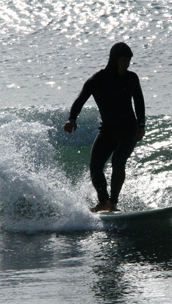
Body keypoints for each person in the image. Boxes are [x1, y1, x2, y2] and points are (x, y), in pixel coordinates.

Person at [63, 42, 146, 212]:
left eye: (129, 61)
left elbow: (139, 102)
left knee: (118, 160)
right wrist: (72, 119)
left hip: (129, 129)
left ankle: (113, 203)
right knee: (95, 165)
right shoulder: (97, 80)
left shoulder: (131, 78)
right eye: (123, 60)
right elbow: (80, 100)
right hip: (108, 129)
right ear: (114, 60)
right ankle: (104, 201)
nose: (127, 64)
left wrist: (141, 125)